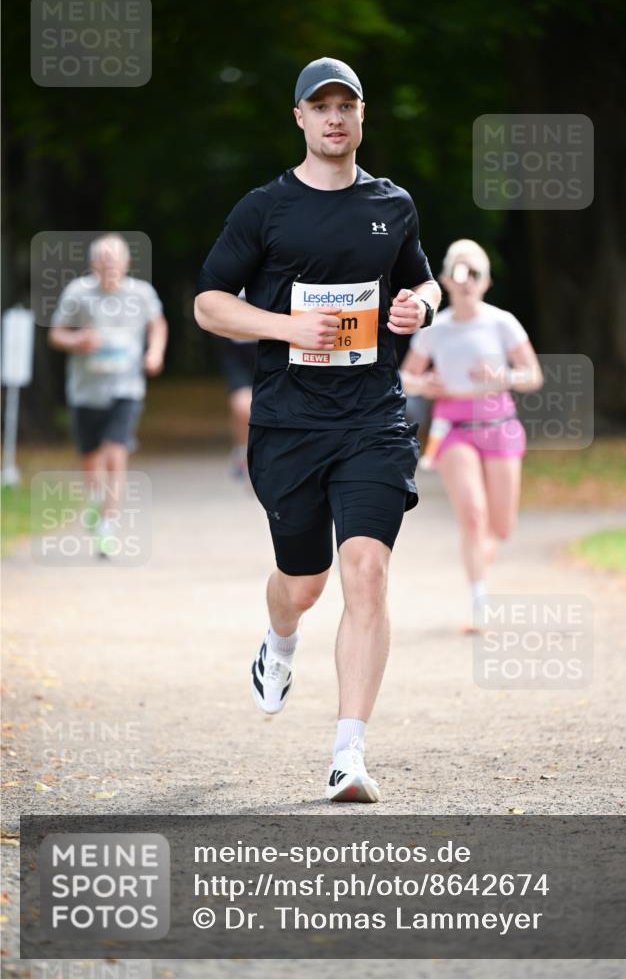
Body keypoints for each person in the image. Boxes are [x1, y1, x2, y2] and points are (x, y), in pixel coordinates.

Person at [195, 57, 440, 802]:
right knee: (303, 583)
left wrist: (419, 308)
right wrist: (285, 324)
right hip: (289, 422)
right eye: (320, 106)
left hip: (371, 417)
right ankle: (277, 643)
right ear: (299, 118)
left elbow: (420, 277)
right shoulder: (264, 209)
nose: (334, 118)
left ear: (362, 117)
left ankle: (348, 753)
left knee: (365, 571)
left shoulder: (392, 204)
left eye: (346, 105)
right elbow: (209, 303)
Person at [401, 239, 543, 630]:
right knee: (473, 516)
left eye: (475, 273)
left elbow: (533, 376)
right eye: (459, 272)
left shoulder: (502, 322)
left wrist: (503, 378)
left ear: (487, 281)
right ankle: (480, 603)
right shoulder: (435, 330)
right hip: (454, 429)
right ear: (445, 279)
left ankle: (481, 554)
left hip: (500, 425)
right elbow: (404, 377)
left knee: (501, 527)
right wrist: (423, 383)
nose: (466, 281)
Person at [48, 233, 168, 556]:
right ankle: (97, 502)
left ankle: (108, 523)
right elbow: (56, 334)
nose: (109, 268)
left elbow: (158, 324)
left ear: (126, 263)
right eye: (103, 262)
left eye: (114, 262)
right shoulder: (78, 293)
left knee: (116, 451)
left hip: (125, 387)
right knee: (91, 460)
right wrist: (77, 342)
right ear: (92, 264)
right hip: (85, 390)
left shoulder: (141, 293)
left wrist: (155, 353)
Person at [214, 291, 257, 480]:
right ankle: (242, 453)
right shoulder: (230, 275)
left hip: (271, 353)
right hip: (238, 357)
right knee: (243, 406)